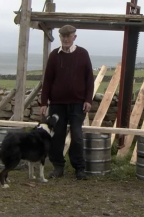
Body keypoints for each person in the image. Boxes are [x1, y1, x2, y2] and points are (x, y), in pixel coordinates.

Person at [40, 25, 94, 180]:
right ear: (60, 37)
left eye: (68, 36)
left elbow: (89, 79)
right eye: (63, 36)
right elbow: (48, 80)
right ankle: (58, 167)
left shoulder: (83, 54)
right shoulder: (54, 56)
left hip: (78, 104)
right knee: (57, 135)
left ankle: (79, 168)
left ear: (74, 37)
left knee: (77, 136)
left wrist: (88, 100)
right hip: (57, 103)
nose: (65, 39)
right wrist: (44, 102)